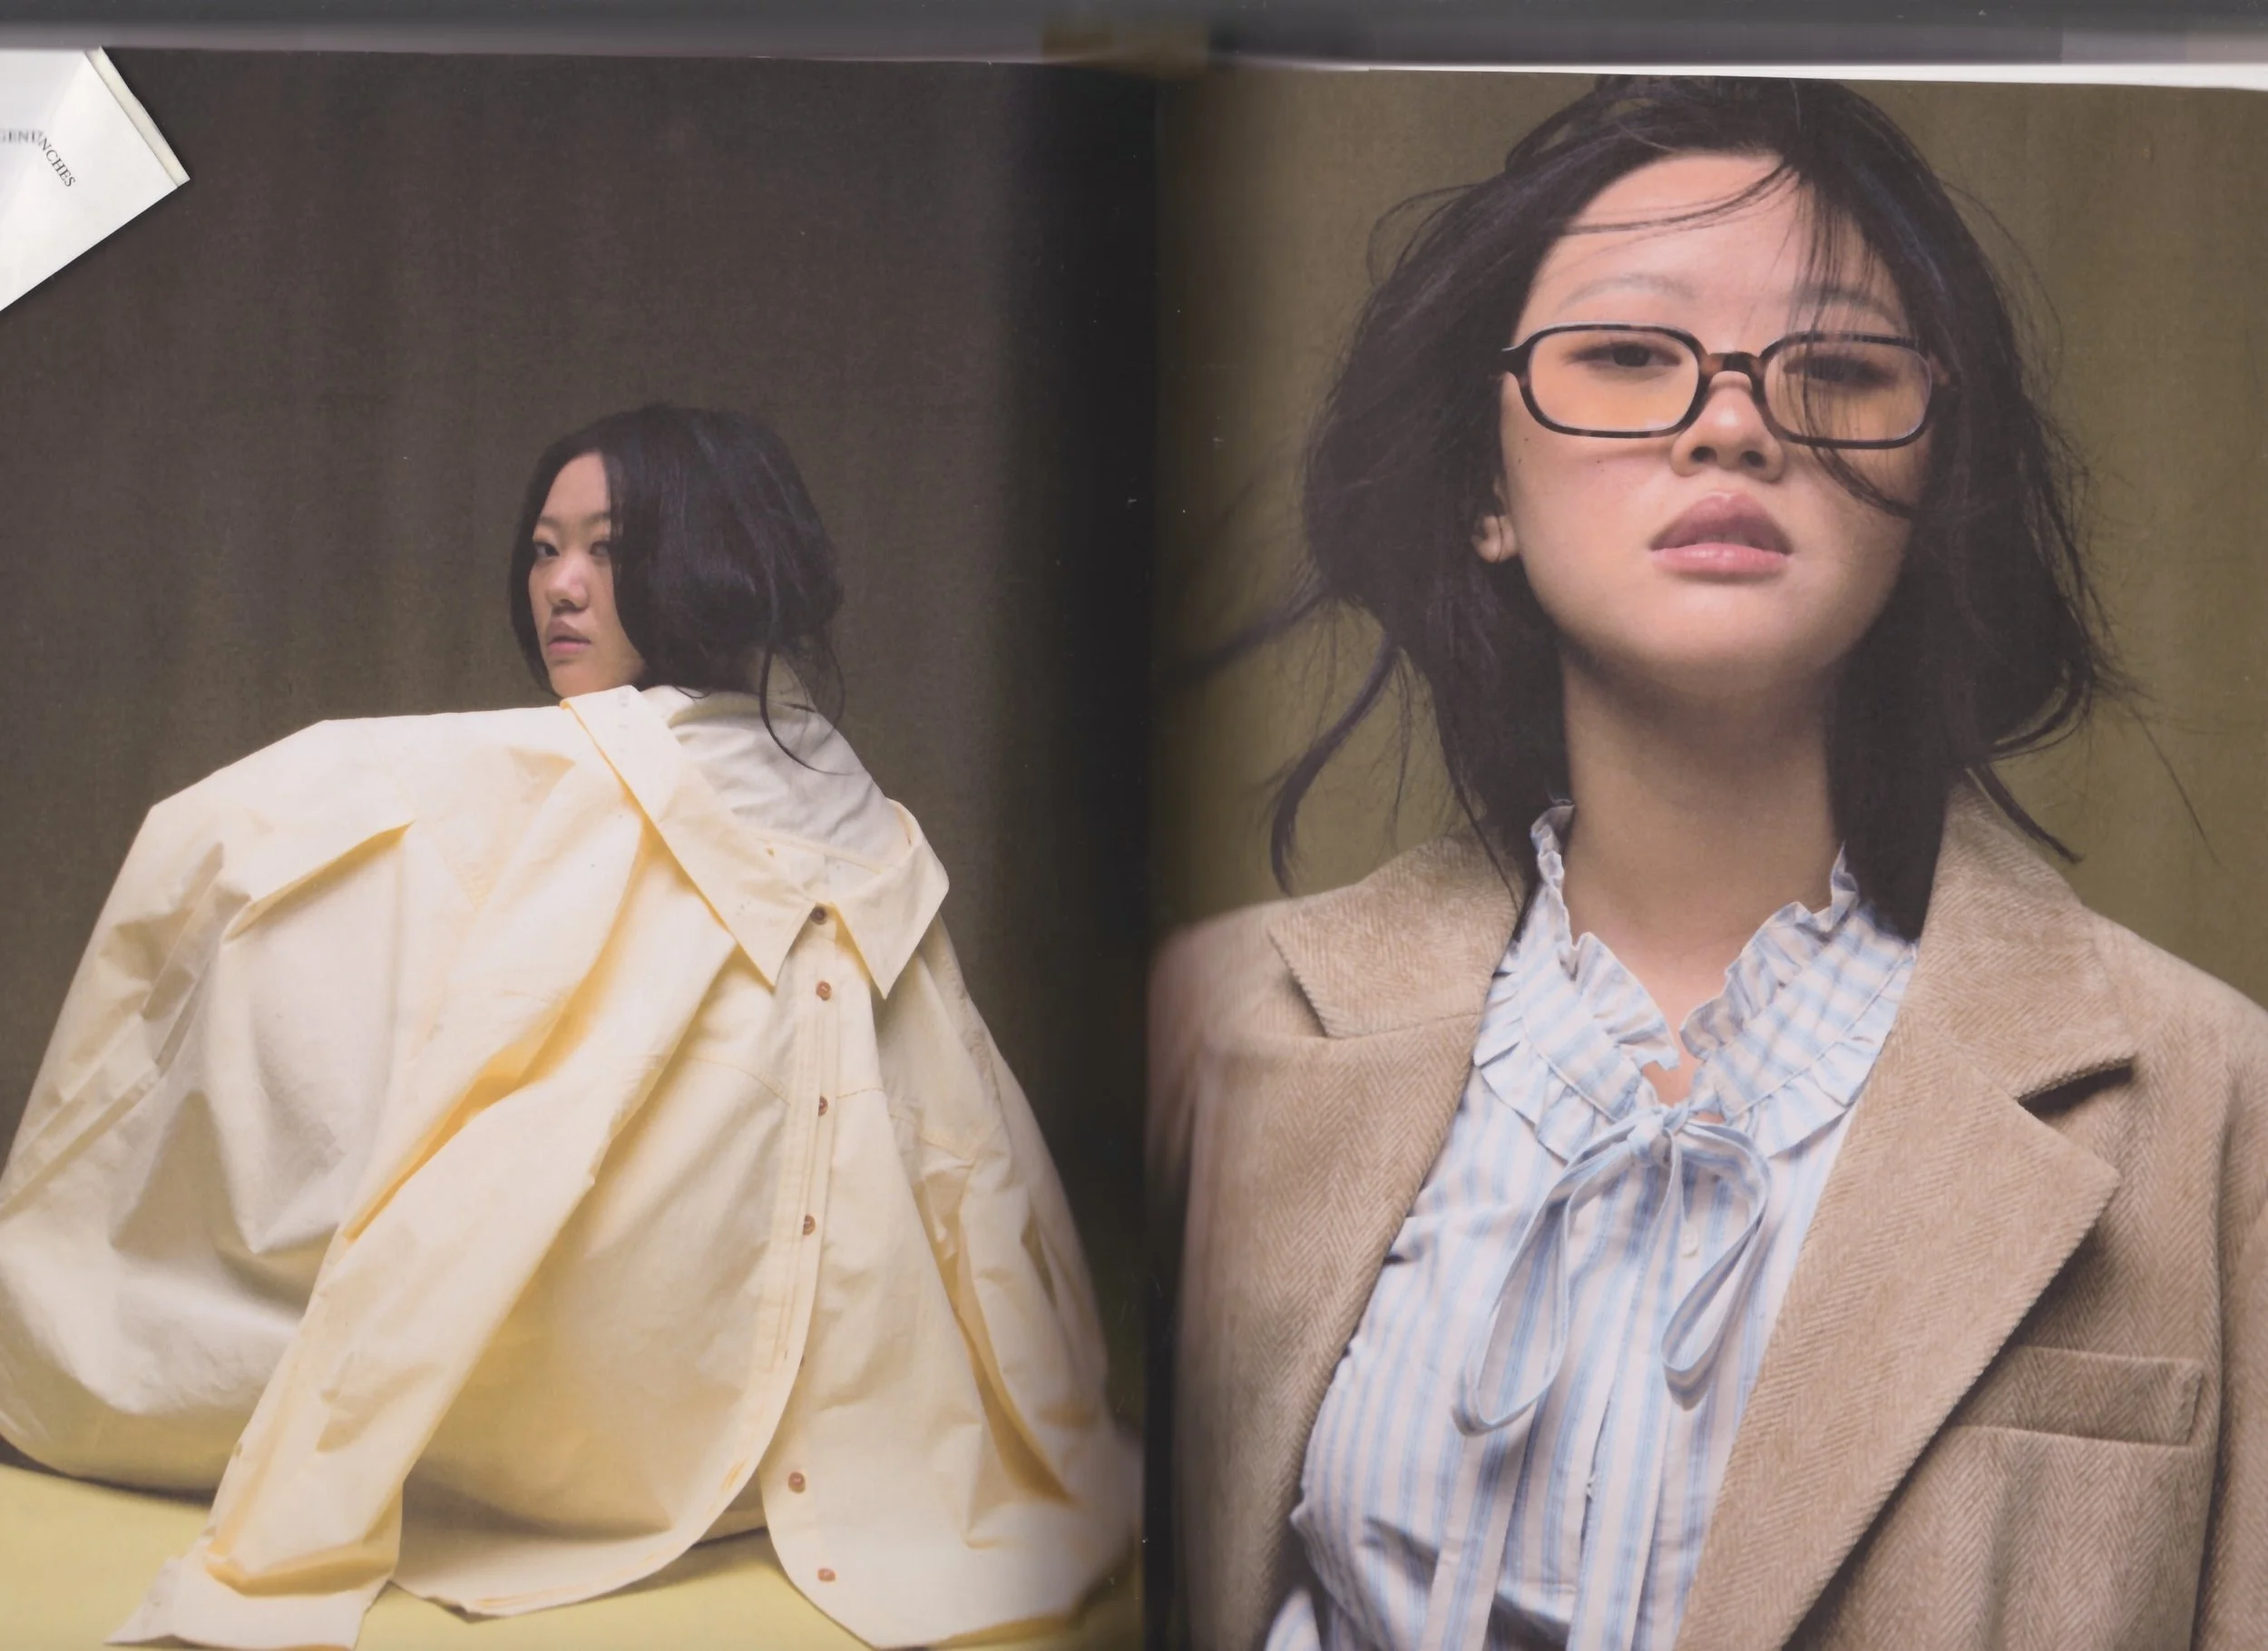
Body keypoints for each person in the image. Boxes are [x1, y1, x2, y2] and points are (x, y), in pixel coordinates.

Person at [1150, 78, 2267, 1651]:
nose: (1733, 421)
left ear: (1932, 479)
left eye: (1838, 369)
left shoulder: (2215, 1096)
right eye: (1625, 356)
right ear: (1483, 487)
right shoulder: (1215, 1027)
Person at [0, 404, 1139, 1650]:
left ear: (712, 556)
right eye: (545, 549)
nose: (562, 586)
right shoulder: (822, 790)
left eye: (605, 546)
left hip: (611, 1407)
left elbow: (224, 833)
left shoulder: (670, 780)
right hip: (789, 1407)